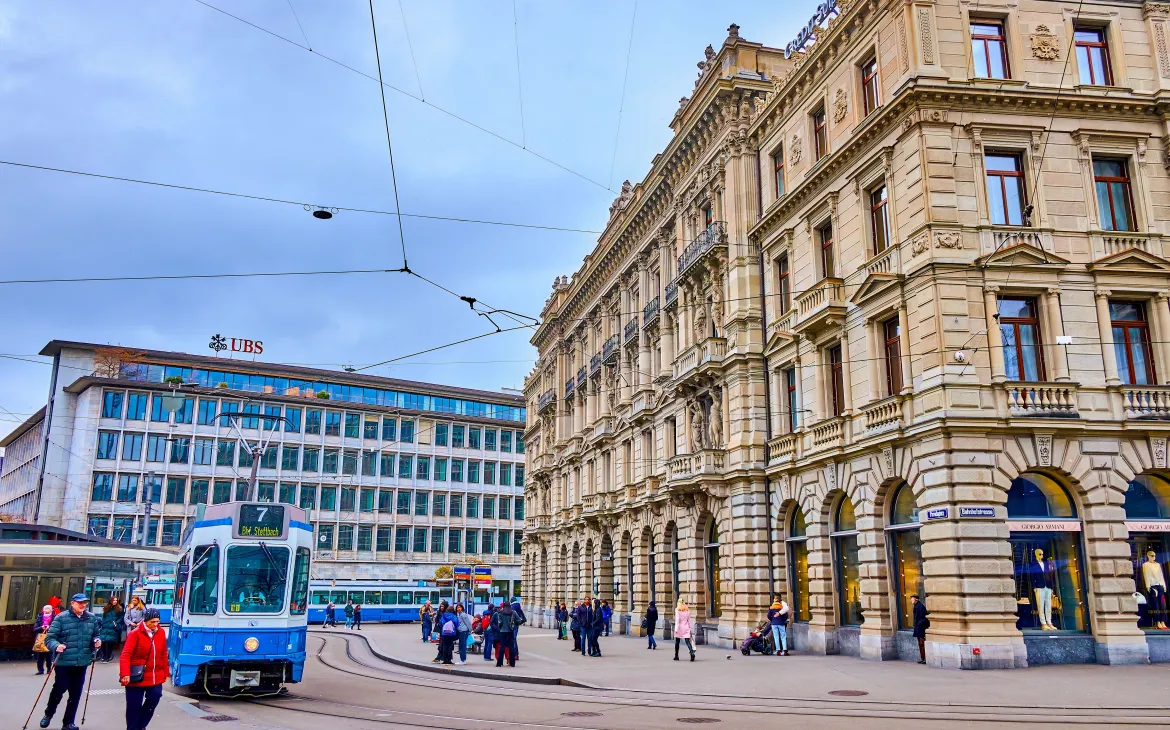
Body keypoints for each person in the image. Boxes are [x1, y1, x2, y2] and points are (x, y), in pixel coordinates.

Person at [39, 593, 102, 730]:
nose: (83, 605)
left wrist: (96, 641)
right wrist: (57, 646)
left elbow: (95, 635)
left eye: (85, 602)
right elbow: (49, 639)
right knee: (58, 690)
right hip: (64, 663)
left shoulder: (91, 618)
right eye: (80, 602)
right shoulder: (61, 618)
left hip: (82, 662)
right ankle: (48, 713)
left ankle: (68, 723)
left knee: (75, 693)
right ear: (72, 603)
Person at [119, 608, 169, 730]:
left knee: (155, 697)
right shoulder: (135, 634)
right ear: (145, 620)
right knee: (133, 706)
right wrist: (125, 674)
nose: (155, 624)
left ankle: (141, 725)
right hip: (136, 675)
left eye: (157, 621)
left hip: (154, 674)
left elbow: (163, 653)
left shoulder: (161, 633)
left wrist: (165, 673)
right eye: (152, 622)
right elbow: (126, 655)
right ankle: (133, 728)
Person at [490, 601, 517, 667]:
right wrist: (514, 626)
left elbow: (498, 622)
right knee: (511, 647)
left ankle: (499, 663)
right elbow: (519, 620)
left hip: (502, 632)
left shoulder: (500, 613)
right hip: (510, 632)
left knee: (502, 647)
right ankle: (512, 663)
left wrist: (499, 628)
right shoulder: (513, 612)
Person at [99, 597, 124, 663]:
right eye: (114, 600)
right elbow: (103, 617)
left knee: (109, 643)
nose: (115, 601)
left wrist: (115, 623)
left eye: (116, 600)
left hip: (113, 627)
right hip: (105, 626)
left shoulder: (119, 609)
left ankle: (107, 657)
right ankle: (104, 656)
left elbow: (121, 618)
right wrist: (102, 623)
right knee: (103, 642)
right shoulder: (106, 608)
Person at [33, 605, 54, 674]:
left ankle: (49, 669)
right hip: (40, 639)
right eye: (45, 608)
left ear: (52, 610)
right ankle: (40, 670)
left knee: (49, 655)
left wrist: (49, 627)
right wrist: (41, 627)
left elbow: (57, 628)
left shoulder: (55, 618)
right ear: (43, 610)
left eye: (49, 608)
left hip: (50, 638)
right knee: (40, 655)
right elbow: (34, 629)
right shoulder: (39, 618)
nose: (47, 610)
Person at [911, 595, 929, 664]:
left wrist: (919, 625)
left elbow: (923, 617)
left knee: (922, 643)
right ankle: (923, 658)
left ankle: (924, 659)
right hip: (918, 627)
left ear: (916, 599)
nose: (911, 600)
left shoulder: (920, 606)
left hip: (920, 627)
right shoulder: (916, 606)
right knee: (920, 643)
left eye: (912, 599)